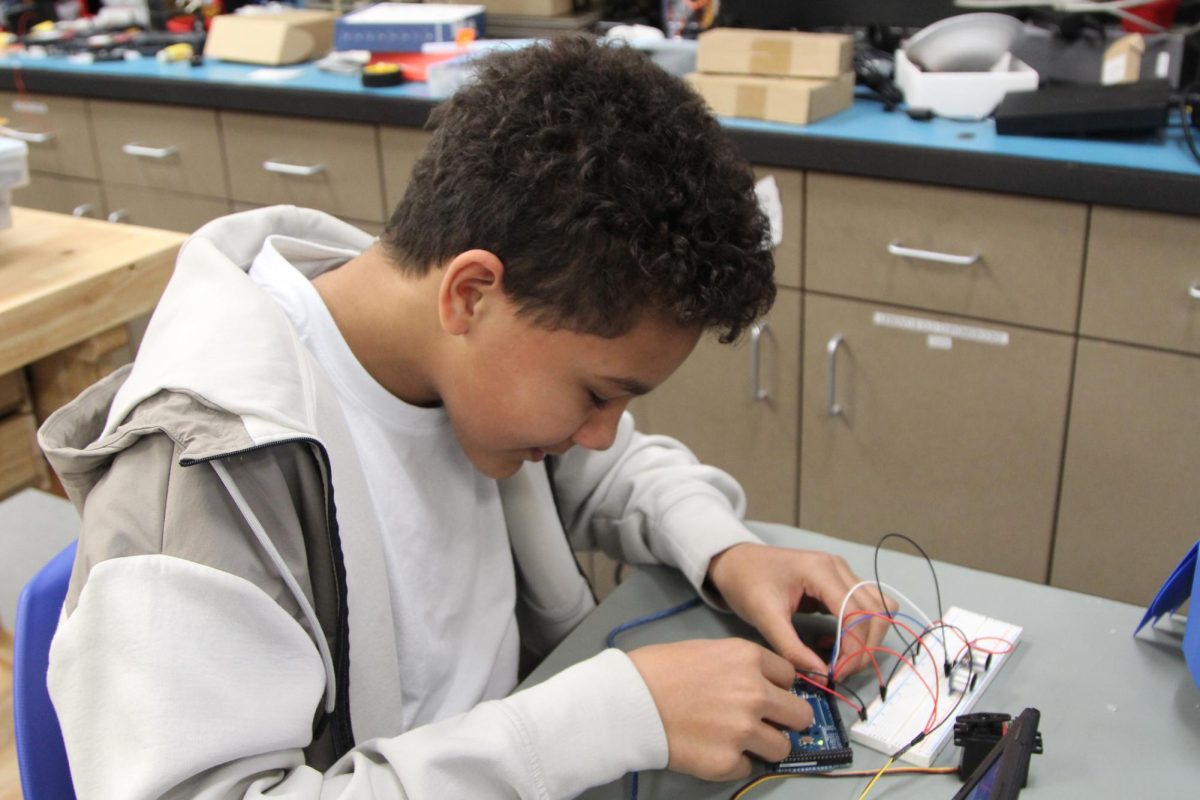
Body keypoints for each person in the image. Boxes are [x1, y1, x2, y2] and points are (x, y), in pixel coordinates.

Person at [38, 36, 892, 799]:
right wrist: (607, 714)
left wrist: (732, 550)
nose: (601, 429)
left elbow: (615, 468)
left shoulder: (443, 348)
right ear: (472, 293)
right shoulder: (202, 477)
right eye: (598, 394)